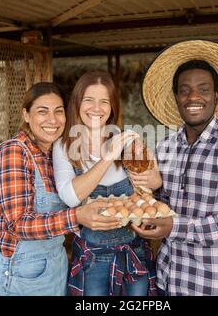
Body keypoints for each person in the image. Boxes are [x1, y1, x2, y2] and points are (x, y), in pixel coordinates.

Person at [130, 40, 218, 296]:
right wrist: (148, 206)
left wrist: (174, 227)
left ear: (216, 96)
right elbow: (164, 204)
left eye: (203, 89)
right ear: (176, 96)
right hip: (168, 276)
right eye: (184, 90)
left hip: (209, 283)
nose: (193, 97)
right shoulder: (166, 147)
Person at [0, 82, 120, 296]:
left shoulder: (53, 155)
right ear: (26, 114)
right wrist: (76, 217)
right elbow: (18, 224)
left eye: (59, 111)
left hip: (54, 268)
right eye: (42, 111)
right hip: (22, 277)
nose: (53, 120)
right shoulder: (13, 153)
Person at [52, 71, 156, 296]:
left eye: (104, 101)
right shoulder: (63, 146)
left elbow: (152, 183)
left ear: (112, 107)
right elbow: (70, 197)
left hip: (133, 251)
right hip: (93, 258)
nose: (96, 108)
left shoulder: (125, 138)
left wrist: (151, 172)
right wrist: (109, 156)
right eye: (89, 100)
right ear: (77, 102)